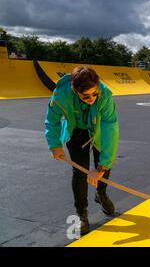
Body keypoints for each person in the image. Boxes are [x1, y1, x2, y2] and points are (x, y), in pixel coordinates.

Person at [45, 66, 119, 235]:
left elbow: (111, 127)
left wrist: (102, 167)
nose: (91, 99)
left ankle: (101, 194)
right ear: (74, 90)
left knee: (105, 162)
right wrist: (54, 144)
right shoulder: (61, 95)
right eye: (85, 96)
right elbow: (52, 119)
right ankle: (82, 213)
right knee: (80, 172)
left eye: (94, 94)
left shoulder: (105, 94)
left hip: (98, 128)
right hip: (76, 130)